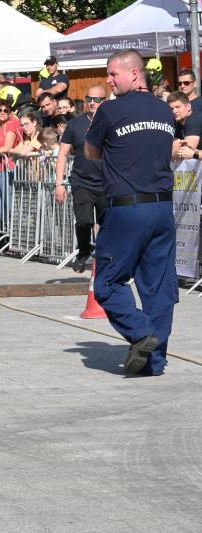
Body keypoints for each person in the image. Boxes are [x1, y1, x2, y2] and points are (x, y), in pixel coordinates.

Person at [85, 49, 178, 376]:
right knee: (159, 288)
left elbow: (91, 152)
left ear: (135, 74)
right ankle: (154, 362)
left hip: (128, 208)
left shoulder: (110, 110)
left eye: (113, 74)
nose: (109, 82)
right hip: (163, 207)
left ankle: (141, 333)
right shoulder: (165, 109)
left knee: (107, 283)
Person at [55, 83, 107, 274]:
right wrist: (59, 183)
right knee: (84, 221)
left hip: (106, 183)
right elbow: (62, 154)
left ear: (105, 101)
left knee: (107, 223)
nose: (92, 103)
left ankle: (103, 257)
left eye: (96, 100)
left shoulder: (112, 123)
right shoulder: (75, 124)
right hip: (81, 181)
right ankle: (84, 250)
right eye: (88, 99)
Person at [167, 91, 202, 160]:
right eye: (171, 109)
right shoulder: (178, 123)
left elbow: (185, 153)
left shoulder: (194, 119)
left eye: (178, 107)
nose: (174, 111)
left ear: (188, 106)